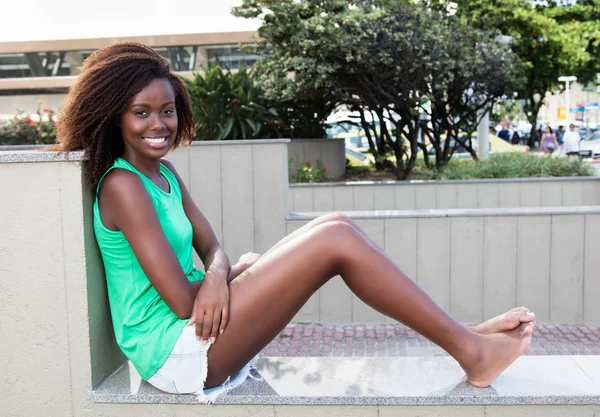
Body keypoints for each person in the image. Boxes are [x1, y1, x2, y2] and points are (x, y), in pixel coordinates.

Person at [53, 43, 535, 401]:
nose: (158, 125)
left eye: (167, 110)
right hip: (175, 352)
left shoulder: (162, 174)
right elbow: (182, 302)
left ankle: (463, 335)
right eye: (141, 113)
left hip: (197, 327)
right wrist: (221, 279)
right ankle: (470, 350)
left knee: (335, 223)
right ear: (114, 118)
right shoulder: (122, 186)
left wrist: (224, 272)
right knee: (334, 241)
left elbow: (211, 247)